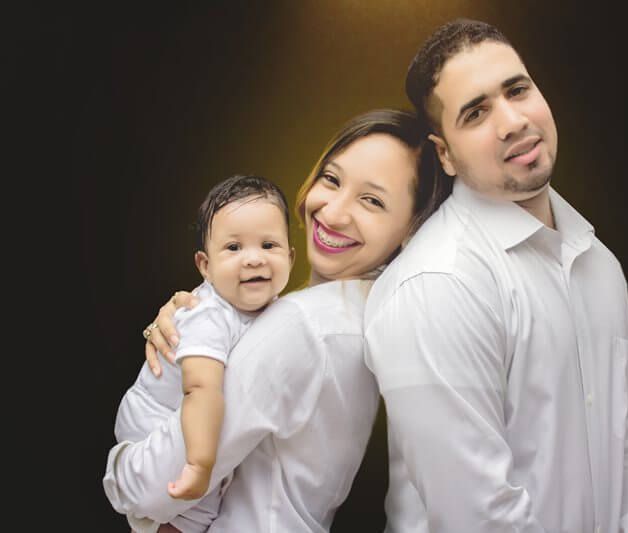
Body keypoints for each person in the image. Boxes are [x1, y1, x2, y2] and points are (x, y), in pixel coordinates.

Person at [363, 19, 628, 532]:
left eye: (517, 90)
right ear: (445, 154)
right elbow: (479, 518)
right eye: (476, 112)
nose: (511, 121)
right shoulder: (438, 285)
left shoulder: (600, 265)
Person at [103, 109, 452, 532]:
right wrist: (197, 313)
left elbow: (151, 489)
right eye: (332, 179)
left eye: (372, 200)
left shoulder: (301, 325)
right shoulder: (359, 315)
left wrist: (120, 467)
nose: (333, 212)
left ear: (412, 228)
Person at [114, 175, 294, 532]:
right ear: (204, 266)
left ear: (290, 256)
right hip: (155, 424)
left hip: (198, 429)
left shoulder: (278, 311)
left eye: (269, 245)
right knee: (187, 511)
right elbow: (201, 388)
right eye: (233, 248)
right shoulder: (208, 313)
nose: (253, 259)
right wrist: (198, 463)